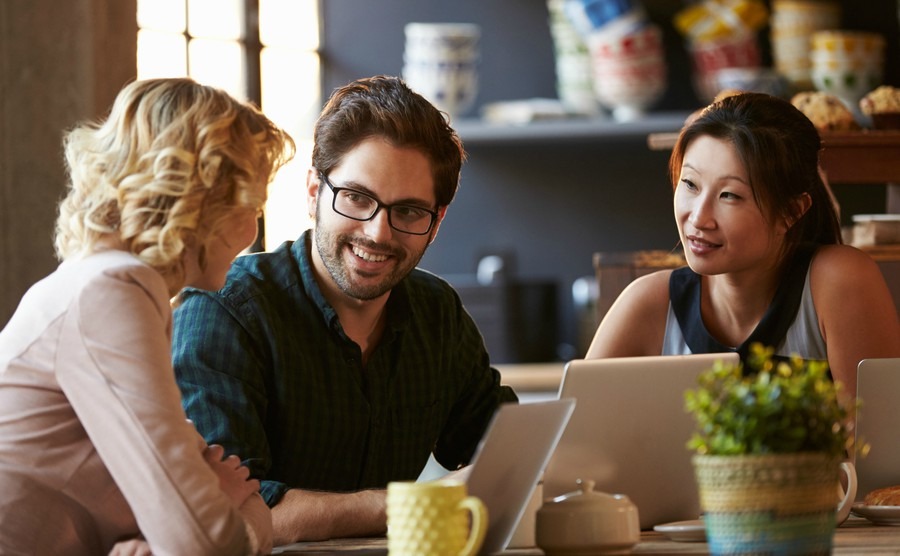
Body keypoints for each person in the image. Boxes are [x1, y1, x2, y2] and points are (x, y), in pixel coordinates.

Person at [171, 75, 519, 544]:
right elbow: (232, 512)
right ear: (314, 190)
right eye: (357, 198)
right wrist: (415, 504)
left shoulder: (438, 314)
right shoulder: (225, 311)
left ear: (436, 223)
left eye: (410, 211)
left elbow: (511, 451)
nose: (378, 233)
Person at [0, 77, 295, 555]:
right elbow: (206, 544)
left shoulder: (100, 282)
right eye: (251, 207)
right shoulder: (114, 291)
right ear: (200, 201)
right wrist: (255, 512)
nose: (251, 230)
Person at [586, 92, 900, 405]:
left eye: (729, 196)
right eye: (690, 184)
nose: (698, 217)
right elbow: (574, 443)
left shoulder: (838, 281)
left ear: (791, 212)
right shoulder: (648, 304)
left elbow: (873, 446)